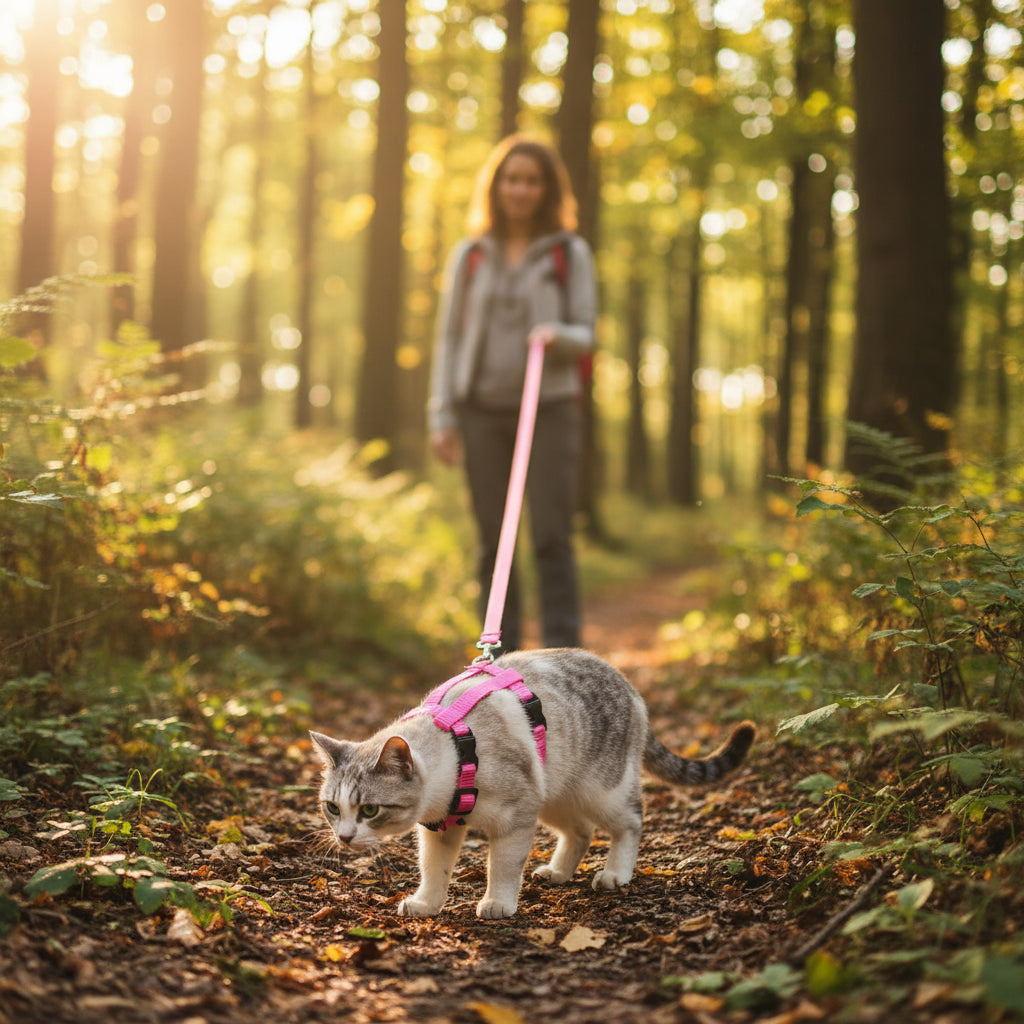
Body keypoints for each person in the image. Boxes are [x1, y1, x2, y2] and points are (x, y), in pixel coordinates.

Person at [428, 134, 597, 653]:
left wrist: (556, 334)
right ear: (496, 186)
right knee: (493, 546)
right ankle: (497, 661)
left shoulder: (569, 252)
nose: (520, 189)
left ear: (546, 189)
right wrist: (442, 413)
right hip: (480, 410)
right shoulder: (471, 255)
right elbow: (449, 336)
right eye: (511, 179)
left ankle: (564, 658)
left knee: (550, 537)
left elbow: (587, 331)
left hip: (547, 410)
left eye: (530, 180)